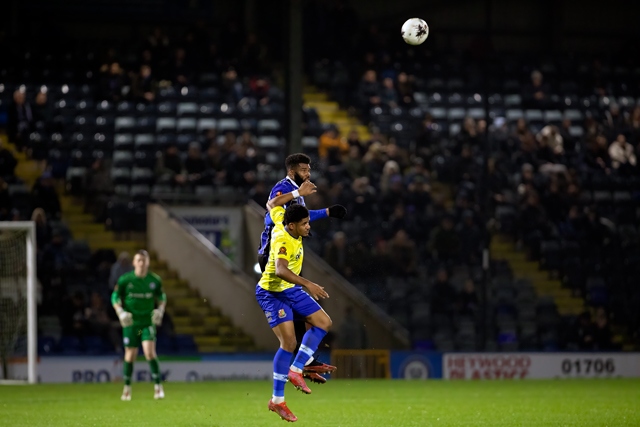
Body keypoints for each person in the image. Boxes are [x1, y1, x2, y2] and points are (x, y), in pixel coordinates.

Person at [257, 153, 346, 384]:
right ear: (291, 170)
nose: (308, 174)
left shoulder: (297, 195)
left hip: (289, 252)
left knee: (306, 312)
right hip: (272, 252)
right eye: (304, 170)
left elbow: (301, 217)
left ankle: (305, 361)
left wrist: (327, 212)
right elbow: (271, 206)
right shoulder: (284, 187)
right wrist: (298, 193)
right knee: (298, 308)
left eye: (308, 170)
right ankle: (301, 363)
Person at [256, 182, 333, 422]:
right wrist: (308, 283)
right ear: (292, 226)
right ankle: (277, 400)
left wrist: (298, 194)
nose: (308, 227)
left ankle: (297, 368)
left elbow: (271, 204)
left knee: (324, 322)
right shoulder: (282, 239)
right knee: (288, 342)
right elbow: (280, 270)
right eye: (305, 224)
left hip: (289, 289)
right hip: (272, 292)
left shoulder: (282, 217)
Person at [111, 250, 166, 401]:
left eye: (144, 260)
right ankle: (127, 388)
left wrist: (160, 309)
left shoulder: (154, 280)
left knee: (149, 352)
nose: (141, 263)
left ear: (148, 262)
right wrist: (120, 311)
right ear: (134, 263)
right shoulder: (125, 280)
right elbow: (115, 296)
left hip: (147, 322)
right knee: (130, 355)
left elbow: (161, 296)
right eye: (139, 260)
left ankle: (158, 387)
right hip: (131, 323)